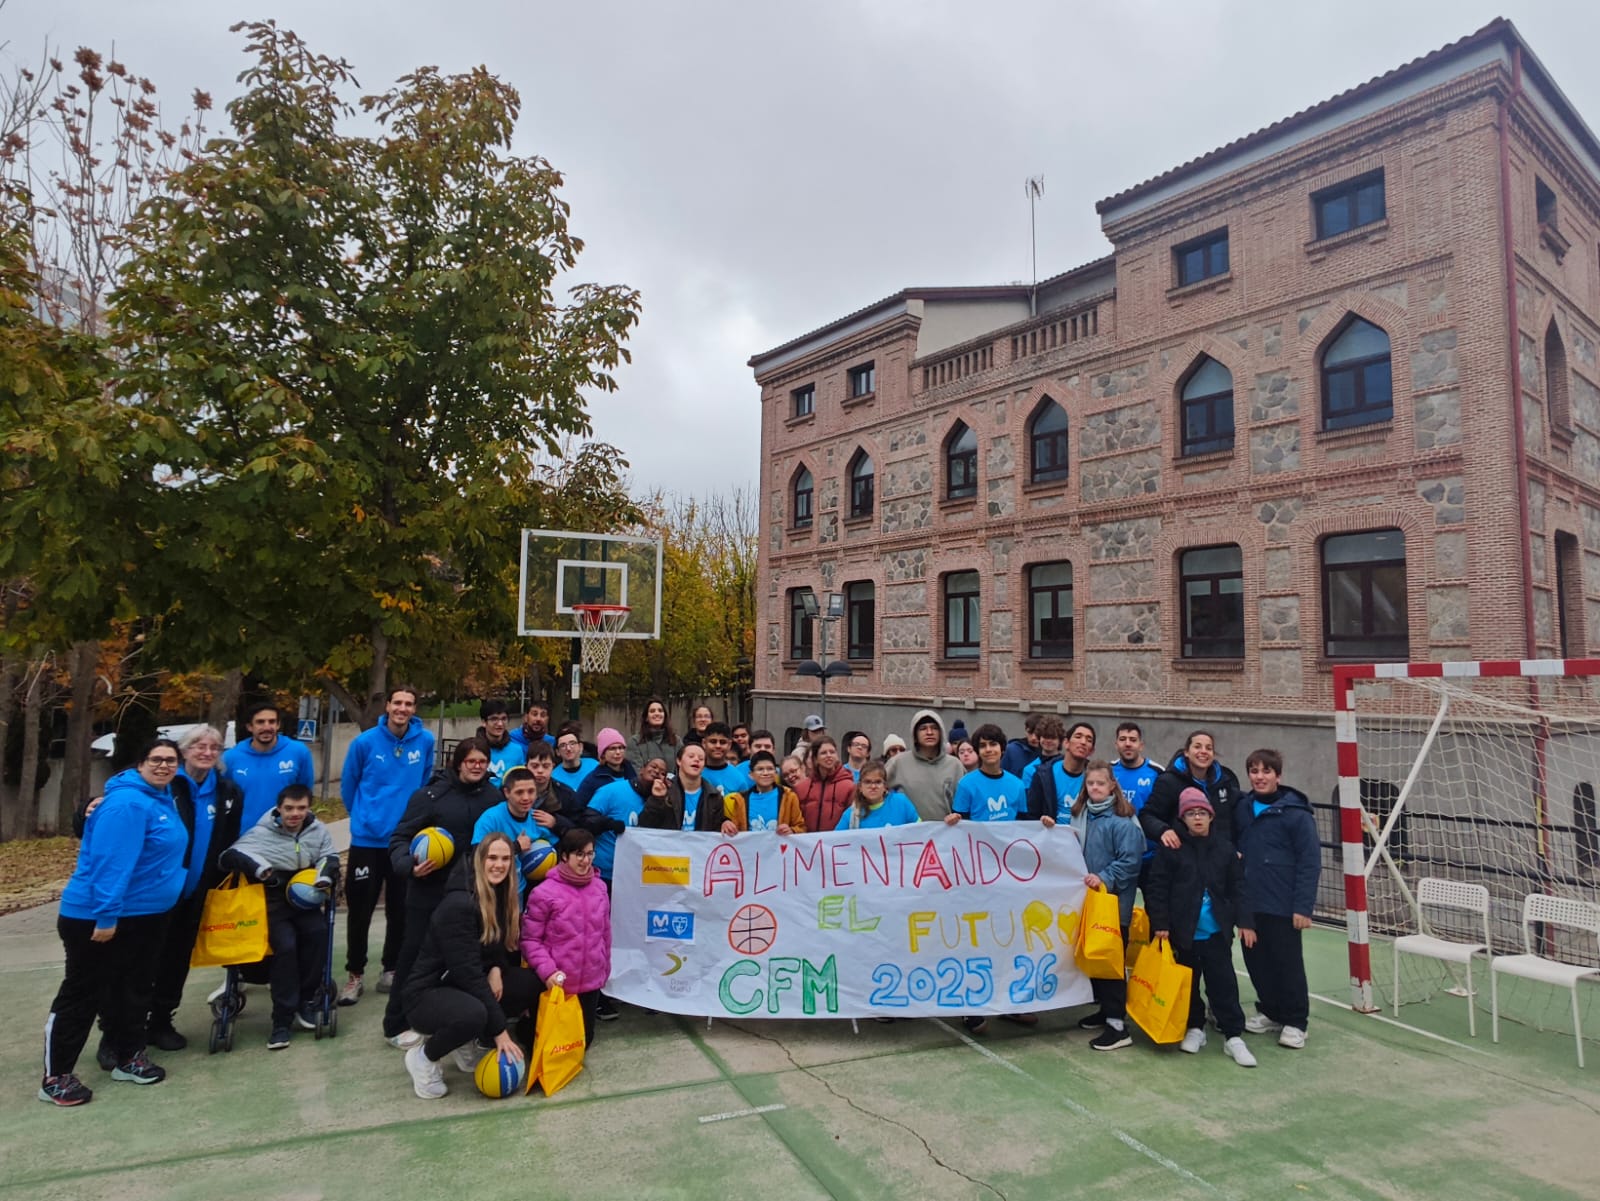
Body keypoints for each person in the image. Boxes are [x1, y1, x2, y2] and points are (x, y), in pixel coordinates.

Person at [41, 739, 187, 1105]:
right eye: (156, 759)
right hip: (100, 917)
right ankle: (56, 1076)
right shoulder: (126, 804)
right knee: (83, 995)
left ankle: (128, 1057)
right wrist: (106, 917)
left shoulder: (161, 798)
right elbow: (111, 864)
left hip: (145, 916)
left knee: (135, 989)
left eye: (171, 760)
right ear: (140, 763)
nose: (164, 765)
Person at [382, 737, 501, 1046]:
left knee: (467, 960)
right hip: (429, 890)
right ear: (458, 762)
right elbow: (399, 838)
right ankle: (396, 1023)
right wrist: (409, 865)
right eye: (471, 761)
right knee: (414, 956)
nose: (477, 766)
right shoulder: (430, 796)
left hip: (472, 894)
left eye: (482, 761)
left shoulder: (493, 797)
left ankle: (461, 1020)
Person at [401, 834, 537, 1100]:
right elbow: (468, 973)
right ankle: (423, 1058)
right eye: (492, 858)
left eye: (505, 858)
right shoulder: (459, 905)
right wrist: (500, 1032)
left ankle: (464, 1042)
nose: (499, 864)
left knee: (528, 983)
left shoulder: (496, 893)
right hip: (425, 995)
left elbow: (493, 944)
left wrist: (496, 968)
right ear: (479, 860)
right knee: (473, 1014)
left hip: (456, 983)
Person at [139, 725, 244, 1055]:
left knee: (177, 959)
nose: (207, 752)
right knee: (141, 962)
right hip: (154, 894)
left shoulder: (227, 792)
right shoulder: (163, 786)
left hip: (195, 894)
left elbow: (227, 841)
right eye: (199, 745)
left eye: (214, 747)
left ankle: (160, 1021)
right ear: (183, 751)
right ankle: (121, 1030)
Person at [220, 784, 341, 1049]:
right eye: (289, 808)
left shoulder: (317, 830)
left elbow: (329, 857)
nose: (294, 814)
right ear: (279, 808)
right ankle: (281, 1020)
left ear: (308, 808)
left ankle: (305, 1001)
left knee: (317, 934)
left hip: (305, 897)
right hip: (273, 899)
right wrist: (260, 869)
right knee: (285, 947)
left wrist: (324, 875)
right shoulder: (262, 831)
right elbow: (229, 856)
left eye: (301, 808)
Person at [337, 685, 435, 1006]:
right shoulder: (365, 742)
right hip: (367, 841)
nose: (402, 708)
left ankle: (390, 968)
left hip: (403, 841)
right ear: (388, 706)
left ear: (414, 708)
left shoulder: (426, 742)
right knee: (360, 910)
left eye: (409, 703)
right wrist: (364, 819)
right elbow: (350, 786)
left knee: (399, 909)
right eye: (397, 703)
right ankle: (355, 973)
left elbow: (423, 786)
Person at [1145, 788, 1255, 1068]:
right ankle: (1195, 1027)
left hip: (1216, 932)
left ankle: (1233, 1035)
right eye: (1191, 813)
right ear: (1183, 818)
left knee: (1223, 984)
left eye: (1202, 813)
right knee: (1189, 985)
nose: (1197, 818)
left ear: (1211, 816)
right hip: (1184, 933)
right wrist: (1161, 923)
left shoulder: (1225, 849)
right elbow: (1157, 888)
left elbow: (1238, 888)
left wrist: (1244, 921)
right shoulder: (1172, 849)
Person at [1234, 748, 1321, 1051]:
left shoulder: (1296, 815)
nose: (1260, 777)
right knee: (1257, 961)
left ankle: (1297, 1021)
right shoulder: (1242, 807)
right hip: (1250, 901)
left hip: (1282, 905)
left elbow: (1310, 862)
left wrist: (1302, 907)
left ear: (1278, 776)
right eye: (1254, 771)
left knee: (1287, 964)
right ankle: (1270, 1011)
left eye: (1266, 771)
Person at [1070, 761, 1145, 1051]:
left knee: (1112, 963)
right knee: (1097, 958)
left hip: (1113, 905)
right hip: (1089, 903)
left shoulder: (1122, 821)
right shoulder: (1081, 815)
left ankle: (1118, 1025)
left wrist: (1103, 877)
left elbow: (1131, 862)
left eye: (1101, 783)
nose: (1095, 788)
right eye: (1090, 784)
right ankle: (1105, 1011)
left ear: (1112, 785)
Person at [521, 829, 614, 1049]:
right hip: (557, 985)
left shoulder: (600, 888)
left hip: (591, 983)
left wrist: (605, 967)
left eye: (590, 854)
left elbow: (605, 933)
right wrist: (549, 972)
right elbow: (530, 941)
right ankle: (525, 1025)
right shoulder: (543, 893)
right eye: (579, 854)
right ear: (564, 856)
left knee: (583, 1042)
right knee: (549, 1047)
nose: (586, 860)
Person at [1141, 731, 1242, 854]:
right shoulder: (1168, 782)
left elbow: (1230, 820)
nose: (1203, 751)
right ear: (1187, 752)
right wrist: (1163, 831)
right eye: (1197, 746)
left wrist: (1232, 850)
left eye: (1208, 748)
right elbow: (1147, 816)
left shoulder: (1224, 782)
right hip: (1181, 857)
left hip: (1217, 859)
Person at [471, 767, 558, 904]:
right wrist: (516, 846)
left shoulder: (538, 818)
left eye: (531, 792)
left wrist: (556, 824)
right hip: (490, 892)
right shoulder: (491, 818)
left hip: (517, 891)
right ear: (507, 792)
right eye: (519, 792)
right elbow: (476, 854)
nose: (526, 798)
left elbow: (564, 841)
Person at [224, 701, 315, 828]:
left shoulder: (298, 752)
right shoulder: (231, 757)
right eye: (260, 722)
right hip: (245, 836)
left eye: (271, 722)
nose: (267, 727)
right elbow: (222, 797)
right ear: (250, 726)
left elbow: (306, 792)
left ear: (278, 725)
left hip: (285, 834)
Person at [585, 758, 660, 885]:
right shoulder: (611, 791)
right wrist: (609, 823)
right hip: (604, 873)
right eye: (654, 766)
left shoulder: (662, 803)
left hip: (639, 874)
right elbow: (587, 821)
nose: (657, 771)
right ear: (641, 769)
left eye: (663, 772)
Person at [884, 711, 962, 822]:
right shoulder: (898, 763)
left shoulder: (955, 765)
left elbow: (965, 805)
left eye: (934, 728)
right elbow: (874, 791)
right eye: (923, 728)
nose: (929, 732)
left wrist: (957, 816)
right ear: (915, 735)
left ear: (941, 733)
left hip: (946, 834)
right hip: (908, 835)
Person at [639, 743, 733, 833]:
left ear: (704, 766)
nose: (696, 760)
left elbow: (716, 830)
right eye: (691, 756)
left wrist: (724, 822)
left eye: (701, 759)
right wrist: (656, 800)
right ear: (679, 761)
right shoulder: (664, 790)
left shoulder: (714, 796)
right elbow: (644, 826)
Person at [1110, 721, 1163, 882]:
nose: (1128, 744)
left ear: (1141, 745)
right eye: (1123, 739)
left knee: (1153, 906)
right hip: (1116, 856)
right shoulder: (1107, 771)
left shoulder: (1157, 772)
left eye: (1133, 740)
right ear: (1116, 744)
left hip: (1150, 856)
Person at [947, 725, 1026, 827]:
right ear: (978, 751)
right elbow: (960, 825)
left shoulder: (1018, 785)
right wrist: (952, 820)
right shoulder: (965, 784)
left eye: (993, 744)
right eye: (983, 745)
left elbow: (1024, 825)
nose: (988, 749)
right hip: (977, 842)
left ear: (1002, 748)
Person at [1022, 719, 1095, 826]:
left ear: (1092, 750)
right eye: (1078, 737)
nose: (1083, 742)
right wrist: (1043, 822)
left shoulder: (1095, 778)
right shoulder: (1043, 774)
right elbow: (1031, 817)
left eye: (1089, 740)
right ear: (1066, 743)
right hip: (1051, 840)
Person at [727, 751, 805, 833]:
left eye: (770, 769)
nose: (765, 773)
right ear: (751, 775)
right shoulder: (740, 800)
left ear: (775, 773)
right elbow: (735, 831)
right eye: (760, 769)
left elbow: (801, 827)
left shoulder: (789, 797)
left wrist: (792, 831)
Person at [835, 762, 921, 829]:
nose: (873, 786)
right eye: (867, 782)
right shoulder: (851, 815)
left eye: (878, 782)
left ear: (885, 786)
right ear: (860, 787)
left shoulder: (901, 803)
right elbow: (836, 842)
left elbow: (920, 831)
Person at [795, 735, 853, 833]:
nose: (829, 755)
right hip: (807, 844)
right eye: (823, 753)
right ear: (815, 758)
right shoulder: (801, 788)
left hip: (836, 844)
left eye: (832, 752)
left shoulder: (849, 787)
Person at [575, 727, 637, 808]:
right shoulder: (592, 781)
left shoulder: (630, 772)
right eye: (612, 749)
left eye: (621, 747)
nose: (618, 752)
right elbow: (578, 808)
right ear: (603, 754)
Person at [478, 699, 525, 785]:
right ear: (484, 722)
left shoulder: (516, 750)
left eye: (503, 719)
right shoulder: (474, 749)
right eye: (494, 719)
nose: (500, 724)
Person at [700, 722, 752, 795]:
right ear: (704, 743)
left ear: (729, 745)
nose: (718, 746)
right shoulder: (695, 773)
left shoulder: (738, 778)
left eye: (722, 742)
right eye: (713, 741)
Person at [627, 698, 679, 770]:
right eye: (652, 711)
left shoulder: (676, 740)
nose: (657, 713)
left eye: (660, 711)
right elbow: (636, 771)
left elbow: (682, 767)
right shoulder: (635, 742)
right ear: (646, 718)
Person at [552, 726, 599, 792]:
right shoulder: (554, 777)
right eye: (563, 745)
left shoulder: (594, 766)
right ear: (557, 752)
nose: (568, 748)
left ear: (580, 747)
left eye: (572, 743)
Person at [1000, 713, 1042, 779]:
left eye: (1037, 734)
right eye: (1030, 733)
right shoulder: (1011, 750)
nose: (1033, 737)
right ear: (1025, 731)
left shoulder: (1047, 754)